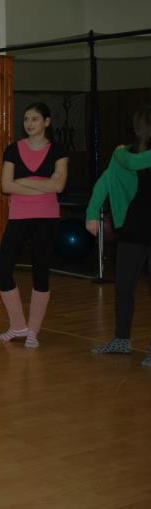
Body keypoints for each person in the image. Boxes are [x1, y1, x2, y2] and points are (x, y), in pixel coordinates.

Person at [0, 103, 69, 348]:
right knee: (2, 269)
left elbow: (58, 186)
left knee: (40, 270)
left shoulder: (58, 150)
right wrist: (43, 184)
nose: (29, 123)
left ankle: (33, 331)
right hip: (18, 215)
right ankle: (18, 325)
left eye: (35, 119)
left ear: (46, 122)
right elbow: (6, 186)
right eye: (26, 119)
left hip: (46, 217)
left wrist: (23, 181)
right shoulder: (12, 150)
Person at [87, 106, 151, 365]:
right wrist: (91, 213)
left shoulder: (123, 154)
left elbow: (134, 163)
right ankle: (121, 340)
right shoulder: (126, 154)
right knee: (124, 287)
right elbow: (105, 181)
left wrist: (119, 152)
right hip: (133, 228)